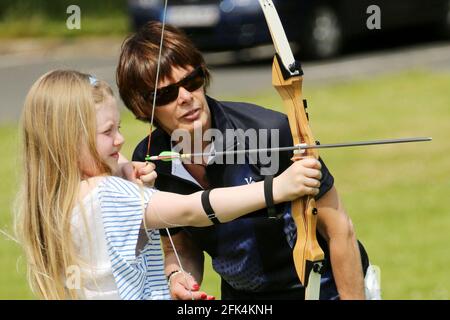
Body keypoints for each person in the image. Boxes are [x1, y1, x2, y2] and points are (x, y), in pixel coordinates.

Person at [14, 69, 324, 300]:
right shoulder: (109, 195)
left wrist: (122, 171)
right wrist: (279, 188)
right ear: (69, 140)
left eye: (119, 128)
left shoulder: (57, 202)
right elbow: (193, 209)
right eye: (108, 131)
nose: (120, 140)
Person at [117, 22, 369, 300]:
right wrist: (178, 276)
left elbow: (340, 230)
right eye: (166, 94)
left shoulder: (269, 131)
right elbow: (181, 245)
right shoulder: (150, 160)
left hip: (321, 288)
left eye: (192, 81)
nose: (186, 97)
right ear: (142, 106)